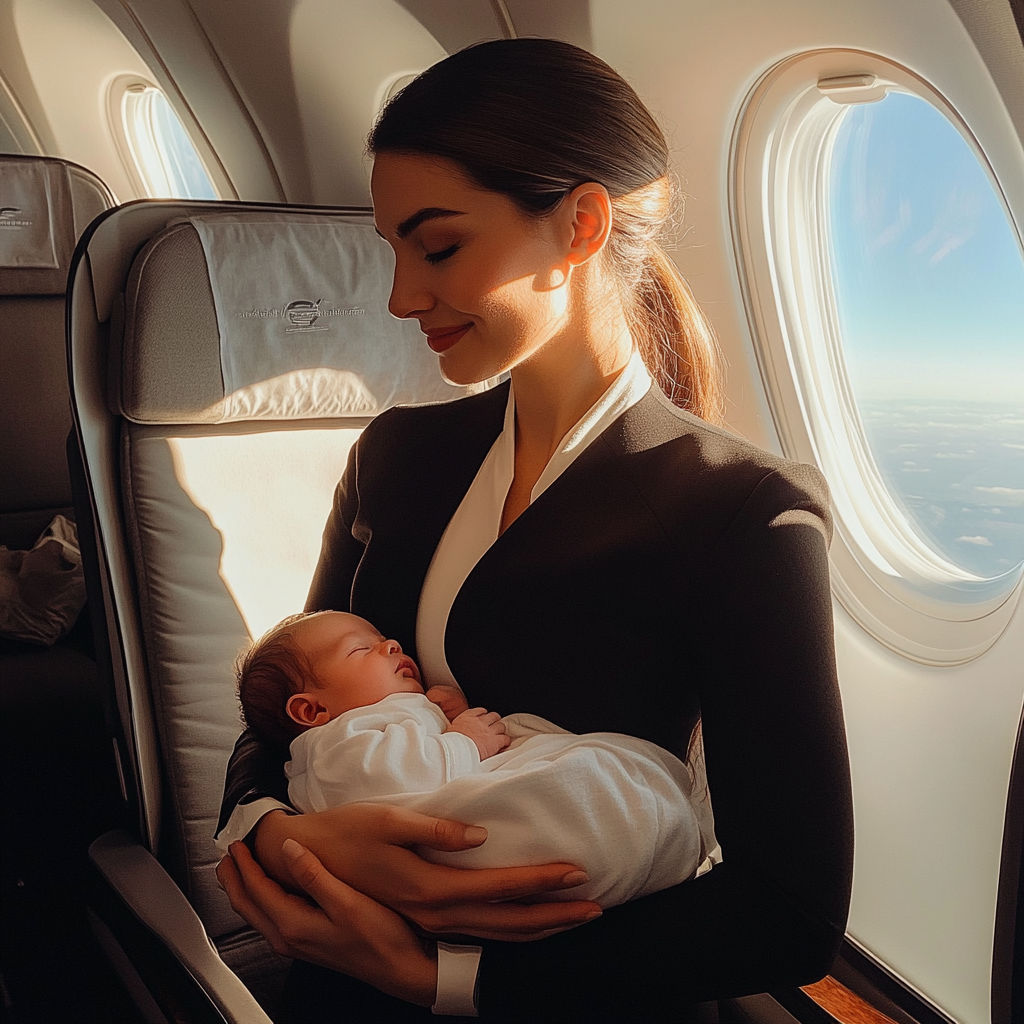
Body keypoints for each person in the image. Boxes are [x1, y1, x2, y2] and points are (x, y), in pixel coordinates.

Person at [215, 37, 853, 1022]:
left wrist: (446, 981)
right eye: (392, 249)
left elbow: (788, 910)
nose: (399, 297)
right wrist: (276, 836)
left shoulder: (744, 509)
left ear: (580, 226)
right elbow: (281, 707)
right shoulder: (394, 455)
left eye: (437, 246)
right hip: (341, 977)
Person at [232, 609, 709, 910]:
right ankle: (639, 824)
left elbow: (415, 758)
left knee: (579, 762)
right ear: (311, 710)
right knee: (576, 788)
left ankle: (649, 815)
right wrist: (464, 741)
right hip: (449, 844)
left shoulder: (373, 722)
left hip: (468, 798)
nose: (391, 644)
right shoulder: (334, 745)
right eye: (363, 648)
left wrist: (448, 721)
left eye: (383, 637)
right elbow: (393, 777)